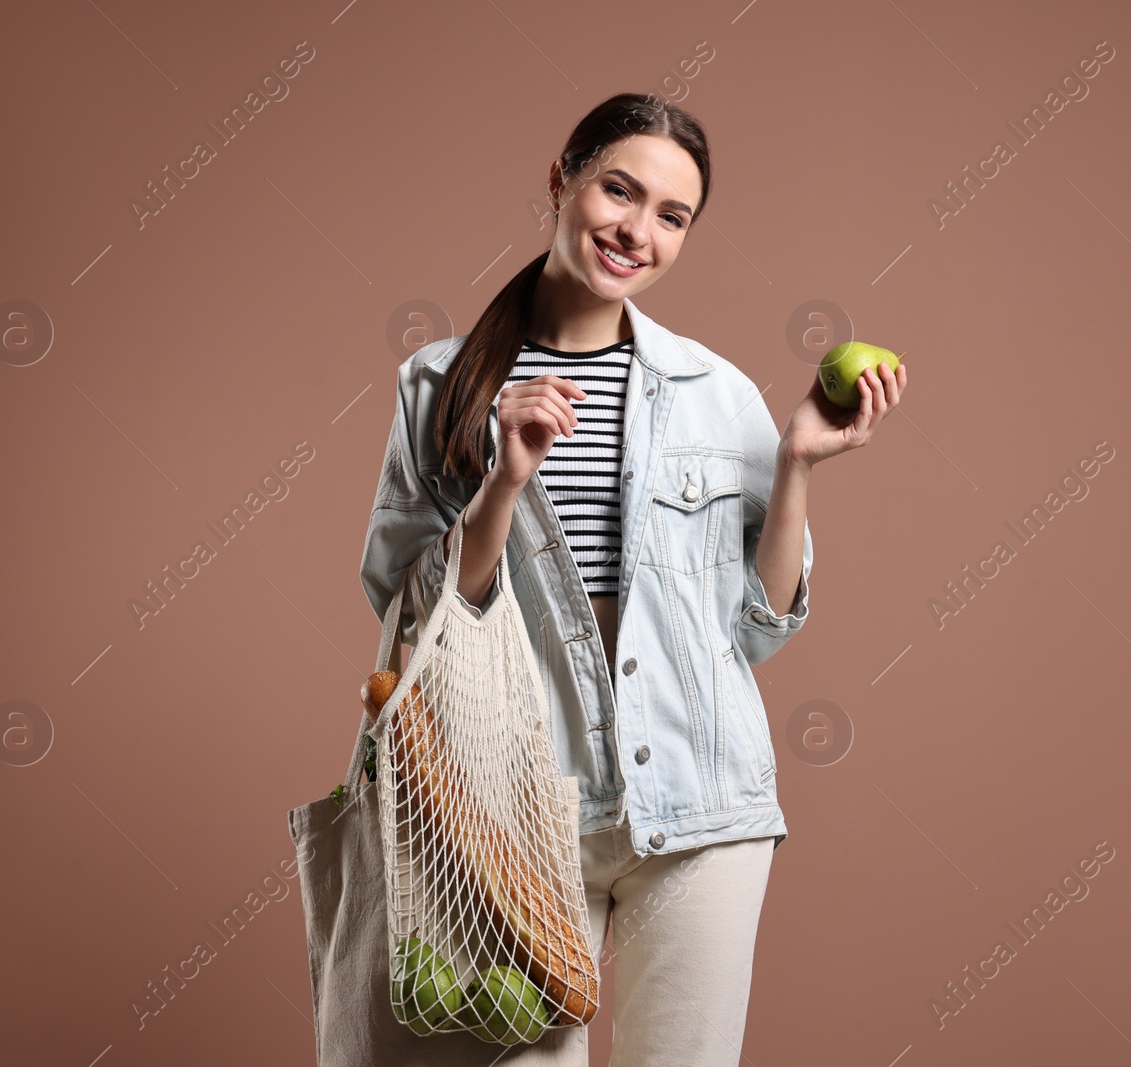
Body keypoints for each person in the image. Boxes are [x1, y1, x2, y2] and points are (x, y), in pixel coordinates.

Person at [359, 92, 906, 1066]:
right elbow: (412, 612)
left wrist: (796, 467)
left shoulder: (714, 389)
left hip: (699, 803)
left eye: (671, 215)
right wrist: (503, 479)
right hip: (512, 806)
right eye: (620, 189)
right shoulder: (440, 386)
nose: (636, 230)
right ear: (561, 178)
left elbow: (760, 628)